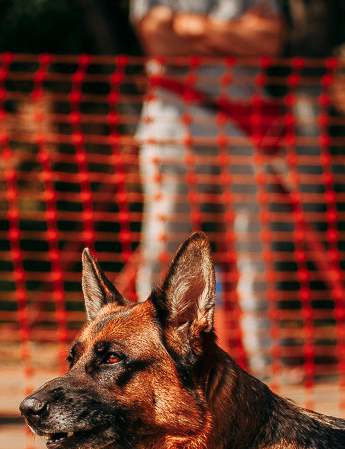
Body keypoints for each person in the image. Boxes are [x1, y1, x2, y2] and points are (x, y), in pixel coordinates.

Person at [131, 0, 287, 377]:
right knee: (163, 243)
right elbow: (160, 44)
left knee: (257, 245)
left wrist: (192, 29)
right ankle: (142, 350)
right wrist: (232, 38)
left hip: (245, 125)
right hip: (171, 123)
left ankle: (266, 357)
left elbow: (267, 41)